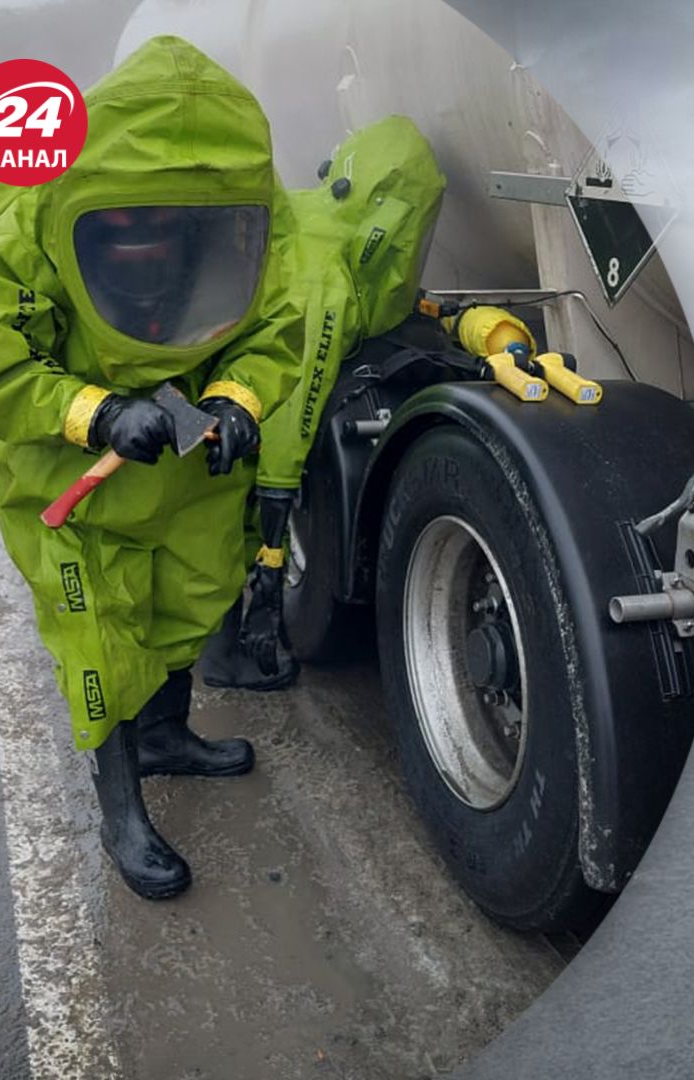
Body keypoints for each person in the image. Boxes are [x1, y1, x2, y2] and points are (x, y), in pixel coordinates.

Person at [0, 37, 302, 900]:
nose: (147, 240)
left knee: (187, 598)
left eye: (167, 224)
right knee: (99, 639)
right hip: (71, 476)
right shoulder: (37, 205)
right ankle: (120, 812)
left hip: (181, 465)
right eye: (127, 224)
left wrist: (238, 401)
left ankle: (167, 736)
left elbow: (276, 319)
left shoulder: (250, 209)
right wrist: (91, 409)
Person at [198, 115, 447, 690]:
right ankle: (221, 658)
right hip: (238, 403)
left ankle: (207, 647)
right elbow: (292, 417)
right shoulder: (326, 283)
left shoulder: (317, 220)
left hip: (214, 382)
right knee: (228, 521)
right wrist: (271, 562)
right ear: (391, 223)